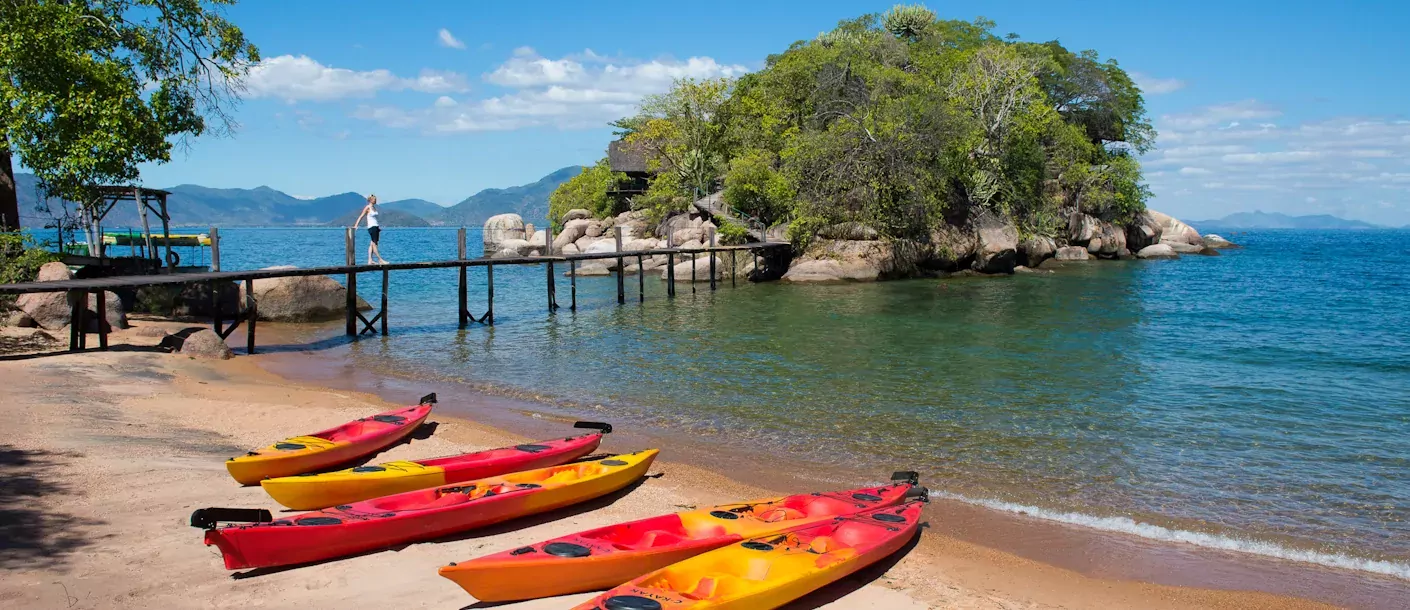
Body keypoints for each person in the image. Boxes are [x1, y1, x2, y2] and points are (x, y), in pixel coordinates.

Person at [353, 194, 389, 264]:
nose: (375, 200)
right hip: (371, 227)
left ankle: (370, 260)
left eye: (376, 199)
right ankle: (380, 259)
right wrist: (356, 225)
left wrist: (378, 227)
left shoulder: (374, 208)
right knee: (374, 244)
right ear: (370, 200)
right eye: (374, 199)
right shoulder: (368, 207)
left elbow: (374, 218)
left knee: (372, 244)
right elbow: (361, 216)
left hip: (375, 226)